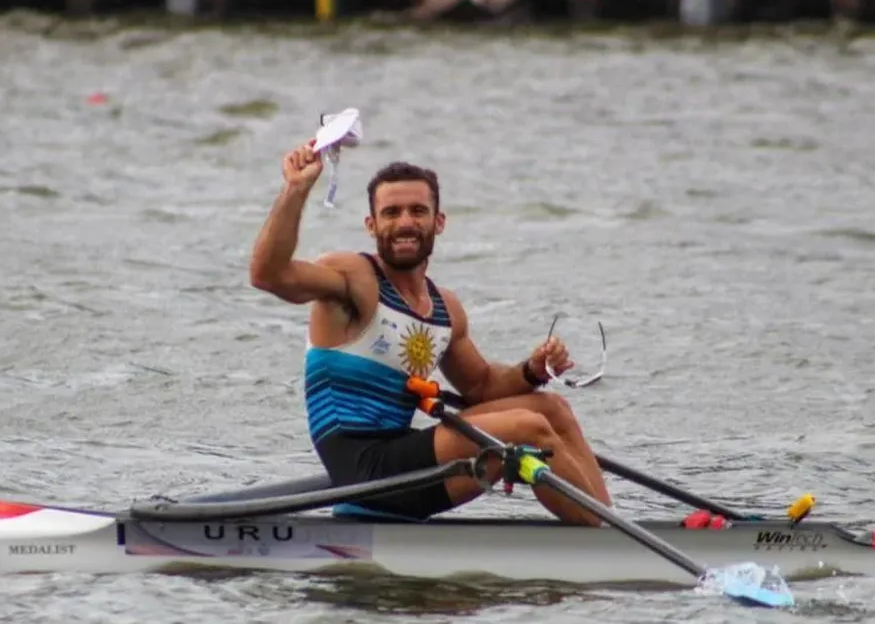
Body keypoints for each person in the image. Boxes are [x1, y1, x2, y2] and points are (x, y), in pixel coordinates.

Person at [249, 139, 612, 526]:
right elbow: (269, 275)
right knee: (528, 429)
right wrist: (296, 189)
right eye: (391, 212)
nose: (405, 222)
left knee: (551, 408)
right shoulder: (353, 277)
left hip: (399, 458)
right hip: (362, 469)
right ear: (371, 225)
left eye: (418, 211)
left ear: (438, 222)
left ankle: (606, 523)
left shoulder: (445, 308)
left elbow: (482, 388)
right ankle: (609, 545)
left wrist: (532, 371)